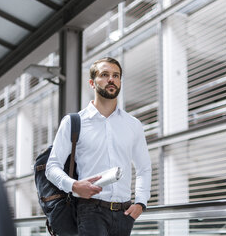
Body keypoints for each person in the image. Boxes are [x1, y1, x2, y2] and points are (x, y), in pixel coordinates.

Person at [46, 57, 152, 236]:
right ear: (92, 83)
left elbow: (144, 168)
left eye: (116, 75)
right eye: (104, 75)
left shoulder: (133, 124)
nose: (111, 79)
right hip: (90, 210)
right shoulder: (74, 122)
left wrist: (141, 203)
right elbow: (51, 167)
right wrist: (74, 185)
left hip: (124, 214)